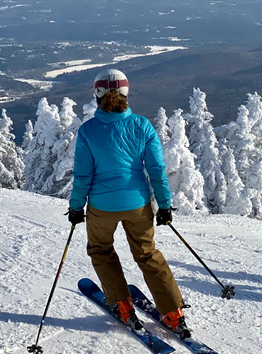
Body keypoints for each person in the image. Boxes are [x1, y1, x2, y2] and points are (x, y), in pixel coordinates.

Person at [67, 68, 190, 337]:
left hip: (102, 207)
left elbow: (83, 175)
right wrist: (165, 205)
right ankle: (173, 313)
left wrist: (76, 207)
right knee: (147, 253)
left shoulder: (88, 130)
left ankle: (122, 306)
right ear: (125, 93)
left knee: (101, 251)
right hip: (138, 205)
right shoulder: (142, 125)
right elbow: (156, 169)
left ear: (97, 93)